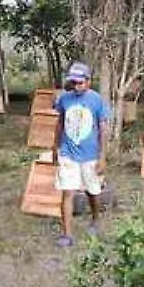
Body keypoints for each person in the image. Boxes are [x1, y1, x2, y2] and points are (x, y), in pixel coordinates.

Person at [52, 61, 112, 247]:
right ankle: (67, 234)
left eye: (80, 82)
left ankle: (95, 218)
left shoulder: (96, 101)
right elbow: (60, 123)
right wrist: (55, 147)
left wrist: (102, 156)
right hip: (68, 153)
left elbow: (103, 130)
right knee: (67, 192)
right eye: (74, 83)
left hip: (90, 155)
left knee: (92, 191)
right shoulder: (64, 99)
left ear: (88, 81)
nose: (77, 86)